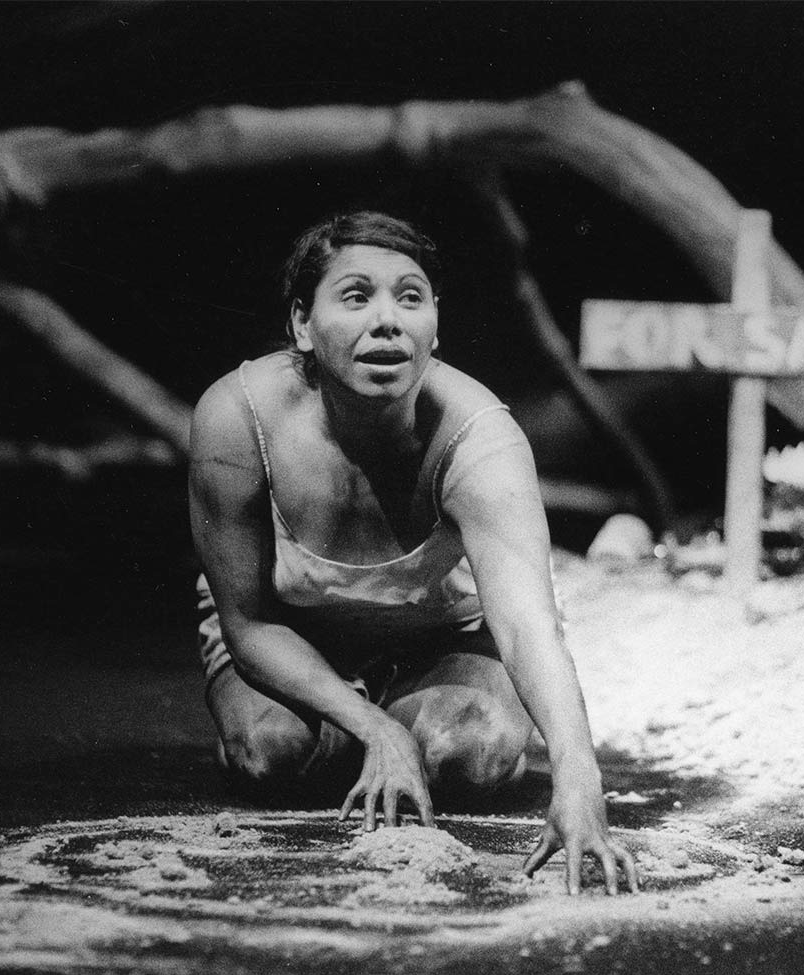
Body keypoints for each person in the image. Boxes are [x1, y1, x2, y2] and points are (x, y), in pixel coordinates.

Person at [189, 210, 638, 895]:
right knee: (270, 753)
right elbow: (246, 620)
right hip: (291, 632)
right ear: (302, 325)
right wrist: (375, 729)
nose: (387, 320)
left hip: (443, 632)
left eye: (409, 297)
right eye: (355, 295)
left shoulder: (478, 439)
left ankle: (404, 722)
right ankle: (376, 726)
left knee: (475, 752)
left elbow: (527, 625)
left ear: (435, 321)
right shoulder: (237, 415)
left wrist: (580, 777)